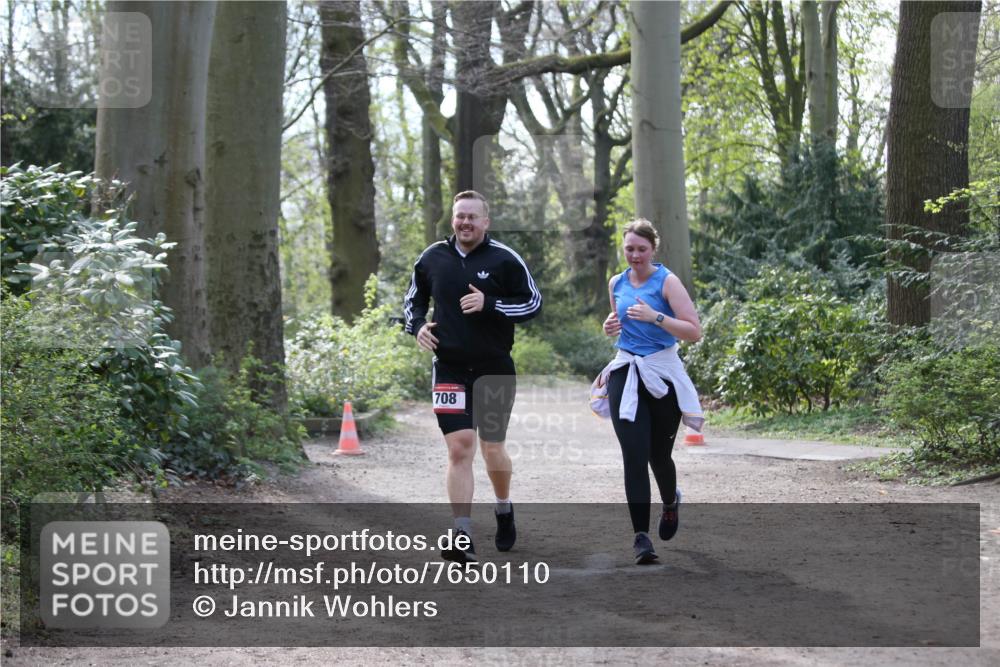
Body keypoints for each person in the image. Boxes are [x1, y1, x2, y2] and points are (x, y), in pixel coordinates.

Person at [404, 190, 542, 564]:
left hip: (494, 369)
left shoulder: (505, 259)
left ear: (485, 222)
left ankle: (503, 507)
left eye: (472, 216)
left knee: (492, 448)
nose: (465, 222)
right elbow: (413, 301)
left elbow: (532, 303)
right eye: (460, 216)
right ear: (453, 219)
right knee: (460, 447)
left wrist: (490, 303)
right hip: (449, 367)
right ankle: (462, 534)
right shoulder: (432, 258)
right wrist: (417, 327)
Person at [596, 219, 704, 565]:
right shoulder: (616, 282)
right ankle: (641, 538)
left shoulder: (667, 282)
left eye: (641, 249)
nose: (635, 255)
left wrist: (656, 317)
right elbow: (618, 322)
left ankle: (670, 502)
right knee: (634, 454)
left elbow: (693, 331)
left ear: (653, 249)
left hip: (662, 374)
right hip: (626, 371)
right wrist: (609, 325)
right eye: (629, 248)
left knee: (659, 456)